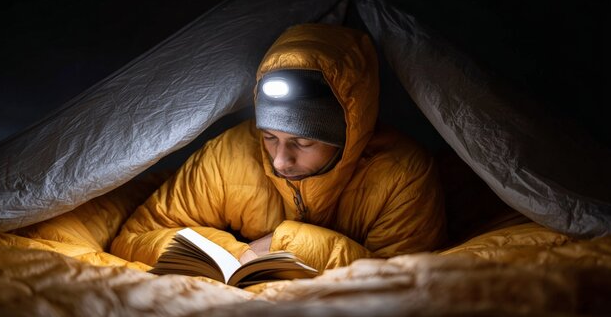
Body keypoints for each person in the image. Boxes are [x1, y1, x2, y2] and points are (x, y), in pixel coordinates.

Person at [111, 23, 445, 272]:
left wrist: (285, 244)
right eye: (270, 137)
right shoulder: (230, 155)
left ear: (348, 136)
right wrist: (237, 254)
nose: (281, 161)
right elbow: (137, 236)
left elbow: (404, 285)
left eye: (304, 142)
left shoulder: (403, 176)